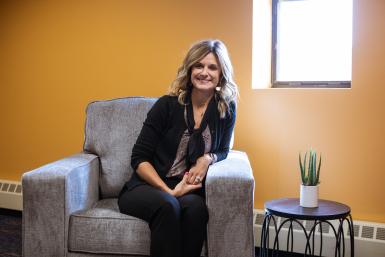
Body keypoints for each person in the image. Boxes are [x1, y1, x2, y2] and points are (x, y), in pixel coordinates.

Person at [118, 39, 239, 257]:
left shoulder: (226, 108)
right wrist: (170, 192)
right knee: (167, 206)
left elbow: (223, 149)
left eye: (212, 67)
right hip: (145, 186)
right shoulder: (167, 105)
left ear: (221, 74)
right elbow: (139, 158)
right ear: (190, 69)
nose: (204, 72)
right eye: (198, 66)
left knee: (197, 209)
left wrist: (206, 159)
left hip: (185, 187)